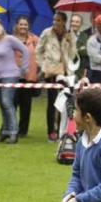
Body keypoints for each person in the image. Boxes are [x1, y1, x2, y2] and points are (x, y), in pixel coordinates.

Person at [0, 18, 29, 144]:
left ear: (2, 26)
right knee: (1, 104)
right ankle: (5, 131)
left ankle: (13, 132)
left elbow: (25, 50)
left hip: (10, 74)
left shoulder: (10, 39)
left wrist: (24, 68)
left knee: (7, 102)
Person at [36, 11, 76, 142]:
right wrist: (43, 65)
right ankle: (51, 131)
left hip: (65, 72)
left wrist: (71, 43)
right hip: (51, 72)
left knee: (65, 102)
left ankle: (62, 129)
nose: (55, 23)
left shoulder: (70, 34)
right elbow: (38, 50)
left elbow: (73, 55)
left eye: (58, 20)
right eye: (54, 20)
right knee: (52, 102)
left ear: (64, 22)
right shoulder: (47, 33)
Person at [13, 16, 39, 137]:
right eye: (21, 24)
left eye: (25, 24)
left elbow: (39, 55)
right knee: (12, 103)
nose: (23, 27)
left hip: (29, 76)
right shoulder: (11, 39)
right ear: (16, 26)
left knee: (26, 105)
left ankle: (23, 131)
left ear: (29, 26)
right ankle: (10, 128)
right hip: (13, 76)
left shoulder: (35, 40)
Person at [70, 14, 90, 79]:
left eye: (77, 22)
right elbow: (66, 53)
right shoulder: (66, 35)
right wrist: (79, 49)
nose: (74, 24)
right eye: (72, 21)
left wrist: (74, 50)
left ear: (81, 24)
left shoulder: (84, 36)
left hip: (80, 69)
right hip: (68, 69)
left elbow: (85, 52)